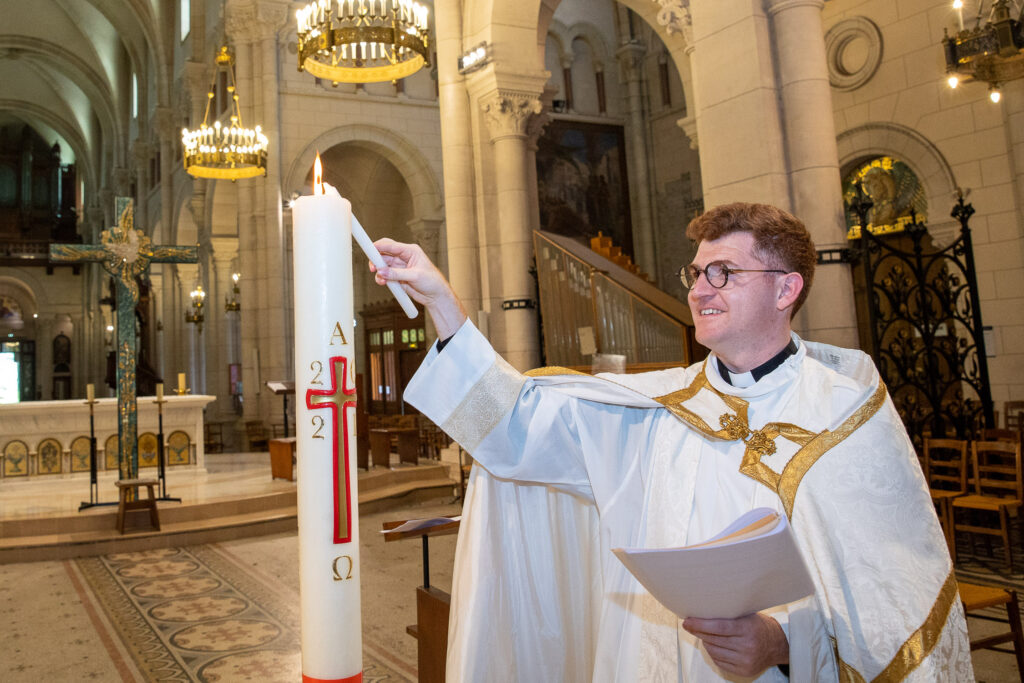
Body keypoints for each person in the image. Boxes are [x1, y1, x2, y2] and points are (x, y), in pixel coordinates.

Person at [370, 202, 972, 681]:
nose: (699, 290)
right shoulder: (654, 410)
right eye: (696, 273)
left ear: (786, 289)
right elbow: (517, 426)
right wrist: (444, 307)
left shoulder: (846, 414)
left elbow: (895, 598)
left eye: (723, 273)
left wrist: (784, 642)